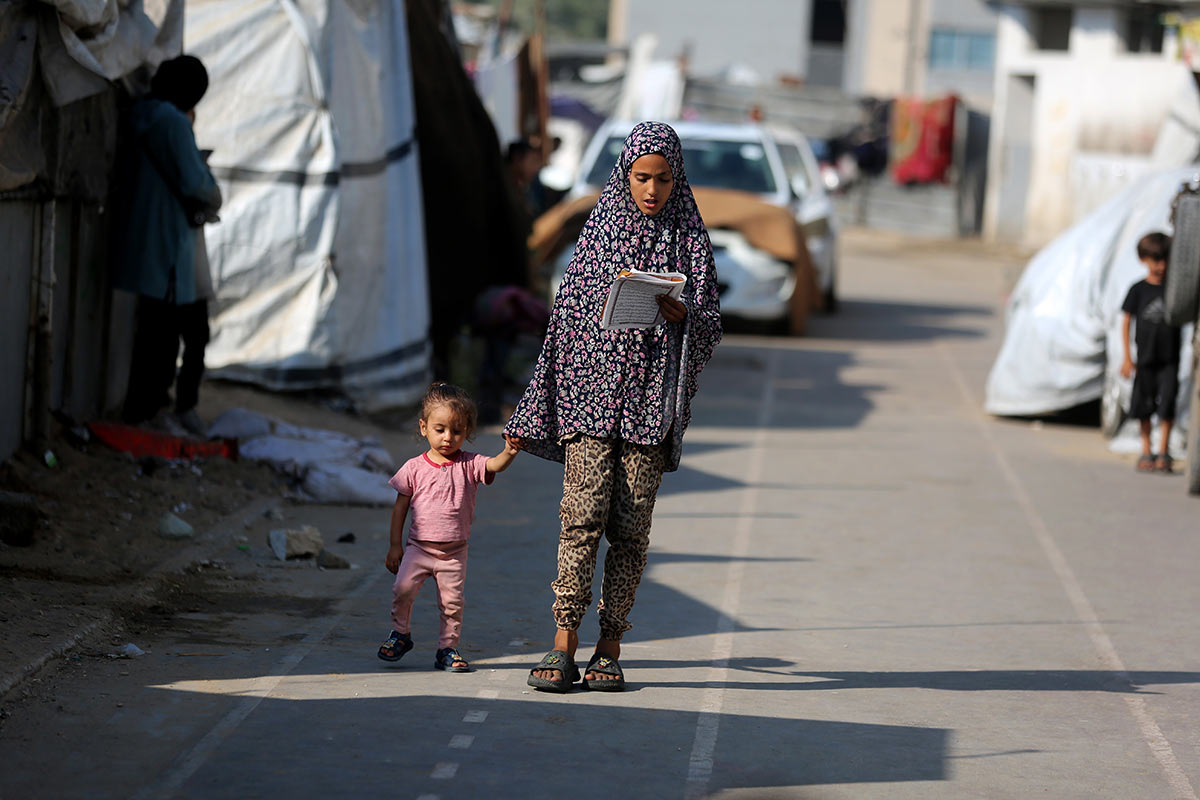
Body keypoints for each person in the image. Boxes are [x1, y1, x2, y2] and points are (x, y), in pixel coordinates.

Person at [503, 121, 722, 692]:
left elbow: (710, 324)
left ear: (678, 180)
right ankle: (563, 640)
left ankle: (610, 644)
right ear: (625, 174)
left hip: (649, 406)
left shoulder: (691, 240)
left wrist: (685, 318)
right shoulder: (598, 232)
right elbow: (566, 318)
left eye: (664, 179)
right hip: (591, 400)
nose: (652, 189)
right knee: (581, 519)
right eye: (642, 177)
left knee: (630, 527)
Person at [113, 55, 222, 435]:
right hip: (172, 246)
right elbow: (197, 184)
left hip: (147, 242)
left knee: (155, 331)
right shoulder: (173, 123)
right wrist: (213, 190)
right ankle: (159, 410)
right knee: (176, 336)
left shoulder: (140, 114)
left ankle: (149, 407)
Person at [378, 383, 521, 671]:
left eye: (457, 431)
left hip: (454, 553)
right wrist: (395, 545)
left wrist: (510, 451)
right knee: (402, 590)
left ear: (467, 432)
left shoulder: (470, 464)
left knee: (452, 604)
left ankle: (447, 649)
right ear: (423, 427)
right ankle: (400, 634)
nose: (448, 438)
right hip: (418, 548)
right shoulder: (413, 468)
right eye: (440, 429)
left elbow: (493, 466)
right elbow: (400, 508)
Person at [1120, 232, 1183, 473]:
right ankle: (1145, 450)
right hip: (1144, 360)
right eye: (1155, 260)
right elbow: (1126, 322)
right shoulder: (1138, 290)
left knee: (1167, 404)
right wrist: (1127, 357)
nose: (1161, 266)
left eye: (1165, 259)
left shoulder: (1175, 291)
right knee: (1143, 405)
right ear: (1143, 259)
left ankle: (1163, 452)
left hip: (1169, 360)